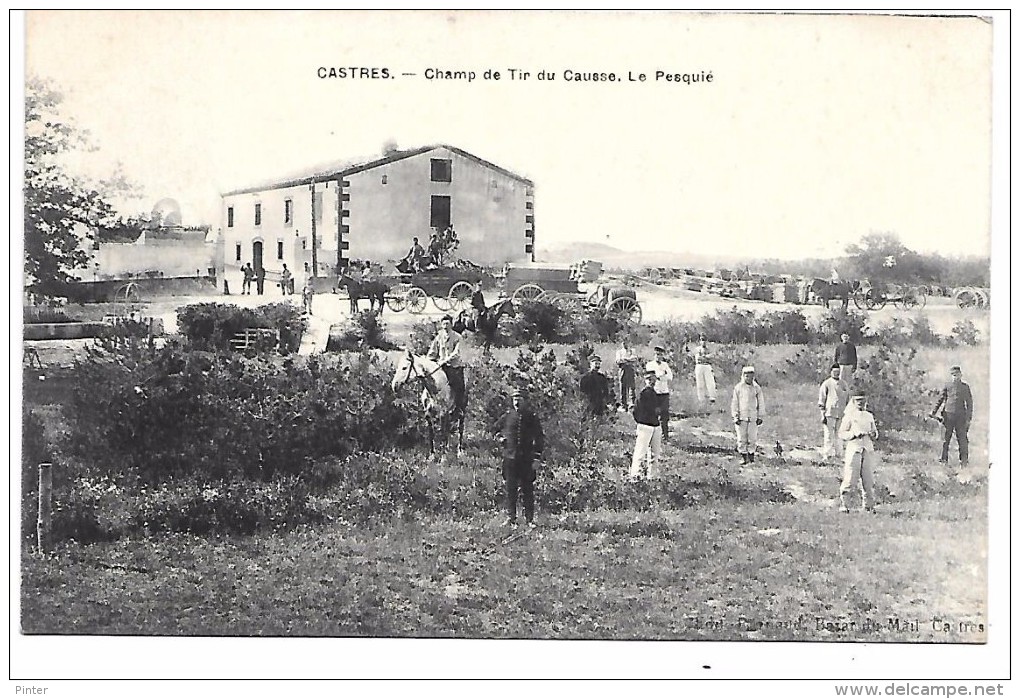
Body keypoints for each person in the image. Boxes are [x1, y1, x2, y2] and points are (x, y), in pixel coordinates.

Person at [495, 386, 544, 528]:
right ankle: (511, 518)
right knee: (510, 489)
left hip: (526, 460)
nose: (516, 402)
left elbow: (539, 438)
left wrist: (536, 458)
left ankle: (530, 520)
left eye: (519, 399)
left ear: (525, 401)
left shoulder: (532, 417)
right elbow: (495, 430)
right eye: (515, 399)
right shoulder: (507, 416)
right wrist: (500, 439)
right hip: (510, 459)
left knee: (527, 489)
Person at [837, 390, 879, 513]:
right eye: (858, 401)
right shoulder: (850, 415)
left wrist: (873, 434)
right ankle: (845, 504)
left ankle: (868, 506)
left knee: (868, 478)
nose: (861, 403)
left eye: (863, 400)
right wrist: (853, 434)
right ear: (854, 402)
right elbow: (841, 433)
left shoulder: (869, 415)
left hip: (867, 448)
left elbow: (875, 432)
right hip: (854, 448)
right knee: (850, 477)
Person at [931, 365, 973, 466]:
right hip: (948, 416)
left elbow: (970, 403)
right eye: (953, 375)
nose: (955, 377)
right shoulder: (947, 385)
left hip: (960, 417)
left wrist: (968, 419)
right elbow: (940, 399)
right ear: (951, 376)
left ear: (961, 375)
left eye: (957, 375)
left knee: (962, 439)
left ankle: (964, 461)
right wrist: (933, 411)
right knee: (945, 439)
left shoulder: (965, 387)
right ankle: (943, 459)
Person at [427, 315, 465, 410]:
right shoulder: (439, 337)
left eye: (447, 323)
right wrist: (429, 361)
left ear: (451, 324)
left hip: (454, 367)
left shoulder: (457, 337)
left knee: (459, 388)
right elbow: (432, 352)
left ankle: (459, 409)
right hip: (441, 367)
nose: (445, 326)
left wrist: (445, 360)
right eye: (443, 323)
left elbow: (457, 353)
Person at [630, 369, 662, 479]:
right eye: (649, 379)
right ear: (645, 380)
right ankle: (635, 476)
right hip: (645, 426)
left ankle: (652, 476)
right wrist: (642, 422)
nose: (652, 382)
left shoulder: (655, 394)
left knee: (654, 454)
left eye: (653, 380)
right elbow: (635, 410)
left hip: (655, 426)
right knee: (640, 452)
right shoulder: (643, 394)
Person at [731, 365, 765, 464]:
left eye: (751, 376)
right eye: (746, 376)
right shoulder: (738, 388)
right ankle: (743, 457)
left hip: (753, 417)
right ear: (743, 376)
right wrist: (735, 416)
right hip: (741, 417)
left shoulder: (756, 388)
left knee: (752, 438)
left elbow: (761, 402)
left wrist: (760, 416)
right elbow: (735, 403)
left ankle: (751, 457)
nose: (749, 378)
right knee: (742, 438)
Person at [817, 363, 847, 461]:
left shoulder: (843, 384)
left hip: (841, 413)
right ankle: (827, 455)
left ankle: (839, 455)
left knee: (840, 434)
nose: (836, 374)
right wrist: (822, 414)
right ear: (831, 372)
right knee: (829, 435)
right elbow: (822, 399)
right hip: (829, 412)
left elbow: (847, 398)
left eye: (838, 372)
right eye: (834, 372)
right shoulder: (826, 384)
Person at [645, 345, 673, 443]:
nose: (658, 356)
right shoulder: (650, 365)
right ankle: (652, 437)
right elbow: (651, 376)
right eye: (657, 354)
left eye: (660, 355)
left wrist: (661, 377)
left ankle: (665, 436)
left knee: (664, 414)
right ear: (654, 355)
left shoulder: (665, 365)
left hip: (664, 392)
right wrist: (661, 375)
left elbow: (670, 376)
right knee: (653, 413)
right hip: (654, 392)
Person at [693, 334, 717, 409]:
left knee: (710, 383)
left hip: (707, 366)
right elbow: (698, 358)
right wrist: (706, 357)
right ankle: (701, 400)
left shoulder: (709, 349)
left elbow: (712, 357)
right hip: (699, 366)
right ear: (699, 341)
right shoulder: (697, 349)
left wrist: (706, 357)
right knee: (700, 384)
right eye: (702, 340)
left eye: (704, 340)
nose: (703, 342)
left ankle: (712, 399)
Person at [615, 337, 639, 412]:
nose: (625, 344)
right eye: (623, 342)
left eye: (626, 342)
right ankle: (623, 404)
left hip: (630, 370)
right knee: (623, 387)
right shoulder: (619, 352)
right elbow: (618, 360)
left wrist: (626, 360)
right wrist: (627, 360)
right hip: (623, 369)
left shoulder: (632, 351)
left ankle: (632, 404)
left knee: (632, 386)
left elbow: (634, 359)